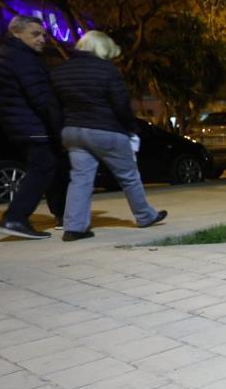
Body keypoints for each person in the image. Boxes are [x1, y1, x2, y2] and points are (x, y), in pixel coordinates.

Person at [51, 31, 166, 241]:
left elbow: (55, 106)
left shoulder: (60, 71)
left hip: (73, 131)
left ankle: (74, 227)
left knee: (80, 179)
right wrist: (131, 128)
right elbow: (121, 104)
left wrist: (61, 130)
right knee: (128, 176)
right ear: (103, 50)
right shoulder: (106, 70)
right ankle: (145, 215)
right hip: (105, 129)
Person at [0, 15, 67, 238]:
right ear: (16, 33)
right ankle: (15, 218)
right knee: (43, 169)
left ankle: (62, 214)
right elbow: (42, 98)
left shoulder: (8, 55)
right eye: (35, 34)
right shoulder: (21, 58)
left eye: (43, 34)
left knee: (52, 168)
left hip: (24, 124)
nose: (43, 39)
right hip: (34, 125)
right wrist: (60, 128)